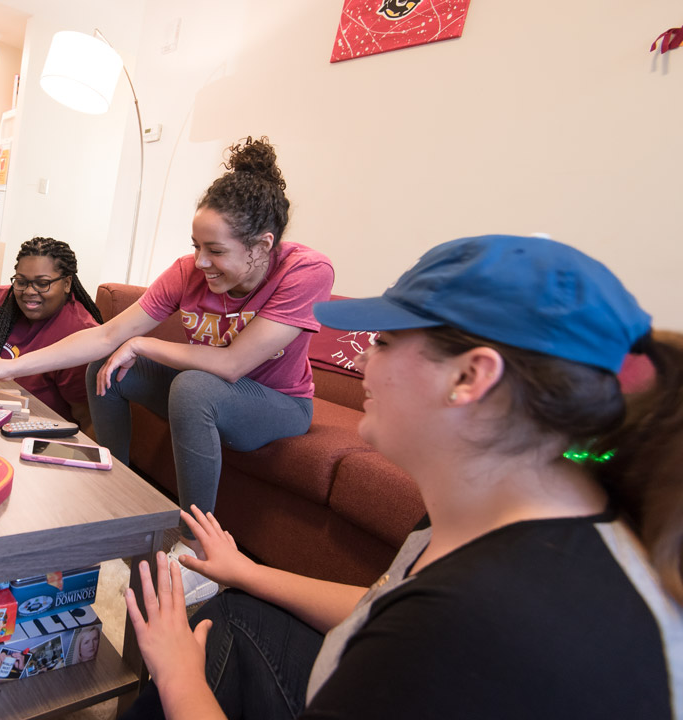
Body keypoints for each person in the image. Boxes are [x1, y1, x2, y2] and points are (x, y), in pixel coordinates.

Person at [121, 234, 683, 719]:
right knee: (236, 614)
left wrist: (177, 676)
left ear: (470, 376)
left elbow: (415, 620)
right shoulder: (512, 508)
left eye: (384, 343)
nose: (362, 361)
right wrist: (246, 571)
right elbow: (385, 601)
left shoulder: (472, 626)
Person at [0, 137, 335, 604]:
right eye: (196, 247)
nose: (201, 263)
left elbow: (233, 364)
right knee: (110, 363)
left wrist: (143, 343)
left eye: (216, 251)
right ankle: (112, 500)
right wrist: (6, 366)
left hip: (278, 405)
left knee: (194, 386)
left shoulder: (305, 271)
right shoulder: (188, 271)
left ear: (262, 245)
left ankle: (195, 549)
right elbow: (105, 337)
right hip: (210, 387)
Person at [0, 236, 103, 432]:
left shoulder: (81, 336)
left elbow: (88, 419)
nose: (29, 291)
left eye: (42, 283)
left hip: (31, 434)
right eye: (21, 281)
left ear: (67, 283)